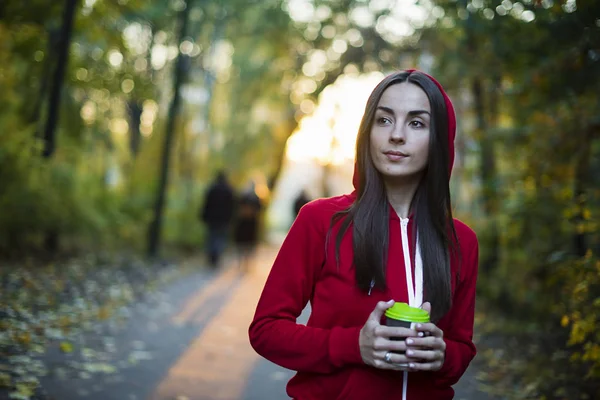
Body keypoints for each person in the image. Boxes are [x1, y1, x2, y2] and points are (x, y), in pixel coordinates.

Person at [248, 70, 479, 399]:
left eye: (416, 123)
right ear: (367, 131)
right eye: (384, 120)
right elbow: (266, 330)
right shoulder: (321, 221)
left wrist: (443, 356)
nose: (396, 135)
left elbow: (462, 348)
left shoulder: (461, 242)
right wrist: (353, 345)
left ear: (439, 139)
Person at [200, 170, 235, 268]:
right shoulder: (229, 190)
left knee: (212, 237)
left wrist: (204, 216)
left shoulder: (212, 189)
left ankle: (212, 256)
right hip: (224, 219)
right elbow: (232, 207)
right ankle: (216, 256)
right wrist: (231, 219)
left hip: (212, 218)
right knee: (220, 238)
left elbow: (206, 204)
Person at [233, 181, 262, 271]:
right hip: (248, 224)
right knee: (246, 244)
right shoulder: (255, 197)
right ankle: (245, 263)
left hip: (246, 224)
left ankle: (243, 262)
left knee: (244, 244)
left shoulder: (244, 197)